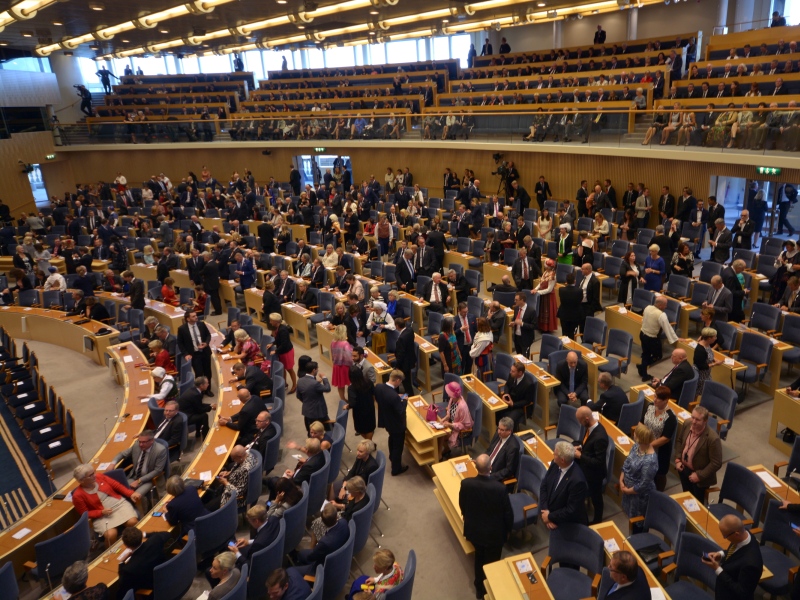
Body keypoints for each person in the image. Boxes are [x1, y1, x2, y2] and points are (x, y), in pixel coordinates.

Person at [459, 453, 512, 599]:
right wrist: (508, 530)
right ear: (491, 467)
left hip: (474, 531)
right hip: (494, 535)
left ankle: (479, 588)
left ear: (476, 467)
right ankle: (490, 588)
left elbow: (462, 504)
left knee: (479, 557)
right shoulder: (500, 489)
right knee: (492, 562)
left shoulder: (466, 483)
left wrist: (467, 517)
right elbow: (508, 513)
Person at [71, 464, 139, 547]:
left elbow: (117, 486)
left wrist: (131, 493)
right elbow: (84, 513)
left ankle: (135, 544)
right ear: (81, 480)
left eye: (93, 473)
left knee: (133, 522)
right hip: (101, 515)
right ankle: (112, 552)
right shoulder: (77, 495)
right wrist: (101, 512)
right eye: (90, 475)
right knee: (111, 535)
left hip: (119, 504)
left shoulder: (100, 477)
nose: (94, 475)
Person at [701, 514, 763, 599]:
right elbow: (736, 552)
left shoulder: (751, 564)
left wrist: (717, 569)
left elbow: (742, 592)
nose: (724, 538)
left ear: (736, 534)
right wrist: (721, 554)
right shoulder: (745, 534)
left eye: (725, 536)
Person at [674, 405, 722, 501]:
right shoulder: (687, 423)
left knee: (697, 502)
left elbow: (716, 463)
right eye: (693, 417)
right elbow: (679, 441)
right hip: (683, 468)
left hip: (699, 476)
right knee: (686, 496)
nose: (693, 421)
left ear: (705, 421)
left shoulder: (712, 438)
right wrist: (678, 459)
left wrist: (699, 475)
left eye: (697, 420)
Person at [539, 441, 589, 528]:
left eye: (555, 454)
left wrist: (550, 517)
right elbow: (544, 485)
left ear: (562, 460)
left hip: (568, 523)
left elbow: (570, 510)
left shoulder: (578, 481)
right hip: (551, 513)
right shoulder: (555, 464)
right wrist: (545, 510)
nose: (553, 454)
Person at [575, 406, 609, 524]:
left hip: (594, 474)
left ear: (586, 419)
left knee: (596, 498)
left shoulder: (600, 437)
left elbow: (598, 462)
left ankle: (598, 520)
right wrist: (580, 447)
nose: (579, 423)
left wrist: (580, 456)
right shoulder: (590, 427)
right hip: (586, 464)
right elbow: (588, 444)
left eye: (580, 420)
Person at [112, 430, 168, 500]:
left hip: (149, 479)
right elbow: (122, 454)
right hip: (134, 476)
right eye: (139, 441)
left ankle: (143, 505)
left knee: (135, 496)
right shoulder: (136, 445)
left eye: (143, 442)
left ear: (152, 441)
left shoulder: (160, 450)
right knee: (120, 492)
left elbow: (158, 470)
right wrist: (113, 463)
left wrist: (139, 480)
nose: (140, 444)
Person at [620, 424, 658, 524]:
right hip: (628, 491)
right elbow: (627, 462)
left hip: (639, 497)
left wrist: (628, 491)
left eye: (635, 433)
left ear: (640, 437)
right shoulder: (637, 446)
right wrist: (621, 480)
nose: (633, 434)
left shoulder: (650, 461)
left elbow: (643, 485)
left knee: (638, 523)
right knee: (630, 519)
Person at [117, 527, 170, 598]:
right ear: (141, 536)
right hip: (168, 575)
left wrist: (121, 562)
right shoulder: (155, 540)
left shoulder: (128, 568)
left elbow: (122, 584)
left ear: (126, 545)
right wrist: (146, 534)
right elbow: (167, 534)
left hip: (153, 589)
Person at [642, 386, 678, 492]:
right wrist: (639, 437)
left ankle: (658, 494)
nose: (655, 400)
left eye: (658, 398)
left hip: (660, 451)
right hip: (645, 445)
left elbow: (666, 438)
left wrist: (649, 446)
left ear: (666, 400)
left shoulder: (670, 417)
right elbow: (641, 422)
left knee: (658, 477)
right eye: (655, 396)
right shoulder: (650, 406)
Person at [375, 370, 408, 476]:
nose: (400, 384)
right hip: (396, 424)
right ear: (397, 380)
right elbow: (401, 411)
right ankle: (396, 469)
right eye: (400, 382)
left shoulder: (379, 387)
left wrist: (397, 397)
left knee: (391, 438)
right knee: (398, 446)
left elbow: (384, 398)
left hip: (386, 420)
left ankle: (392, 457)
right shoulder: (393, 396)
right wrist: (404, 401)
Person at [638, 296, 679, 380]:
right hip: (651, 338)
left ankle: (643, 371)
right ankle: (643, 368)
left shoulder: (647, 307)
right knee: (658, 356)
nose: (666, 306)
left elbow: (644, 319)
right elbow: (667, 328)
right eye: (665, 305)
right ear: (660, 305)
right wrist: (676, 339)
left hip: (642, 334)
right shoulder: (661, 315)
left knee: (646, 354)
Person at [440, 381, 474, 458]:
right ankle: (444, 451)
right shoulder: (452, 399)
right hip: (452, 424)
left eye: (449, 393)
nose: (448, 394)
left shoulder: (462, 407)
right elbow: (449, 412)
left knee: (441, 436)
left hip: (461, 430)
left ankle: (440, 454)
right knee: (439, 433)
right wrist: (444, 419)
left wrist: (450, 425)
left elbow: (465, 425)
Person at [177, 310, 213, 383]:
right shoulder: (182, 329)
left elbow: (208, 335)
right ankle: (200, 388)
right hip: (194, 354)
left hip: (205, 352)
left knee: (208, 372)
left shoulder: (201, 324)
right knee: (199, 374)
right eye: (193, 316)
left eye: (196, 315)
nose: (196, 317)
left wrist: (206, 343)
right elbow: (180, 343)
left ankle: (208, 388)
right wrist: (186, 354)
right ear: (188, 319)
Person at [496, 361, 533, 431]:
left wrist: (513, 404)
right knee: (496, 410)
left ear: (520, 373)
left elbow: (527, 401)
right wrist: (506, 394)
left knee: (509, 421)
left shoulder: (528, 384)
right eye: (511, 370)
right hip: (508, 400)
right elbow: (507, 385)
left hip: (518, 407)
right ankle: (500, 430)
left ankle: (511, 434)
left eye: (513, 371)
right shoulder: (512, 375)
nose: (510, 372)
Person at [296, 361, 331, 432]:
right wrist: (324, 378)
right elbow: (327, 389)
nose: (318, 370)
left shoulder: (300, 380)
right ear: (314, 370)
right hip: (318, 412)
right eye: (317, 369)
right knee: (328, 429)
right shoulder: (314, 384)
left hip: (307, 412)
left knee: (311, 431)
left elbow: (298, 395)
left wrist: (307, 401)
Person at [346, 361, 376, 440]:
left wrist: (347, 406)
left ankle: (368, 443)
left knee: (361, 430)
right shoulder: (369, 382)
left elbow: (352, 403)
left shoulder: (351, 388)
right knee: (370, 428)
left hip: (359, 413)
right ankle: (369, 442)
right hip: (370, 409)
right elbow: (373, 394)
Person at [268, 312, 297, 393]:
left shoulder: (283, 330)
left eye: (271, 320)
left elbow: (284, 344)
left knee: (289, 369)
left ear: (276, 321)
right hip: (282, 351)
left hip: (287, 352)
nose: (270, 322)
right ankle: (284, 383)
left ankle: (295, 385)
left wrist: (275, 351)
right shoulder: (278, 328)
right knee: (283, 368)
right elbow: (278, 339)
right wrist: (272, 343)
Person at [691, 327, 722, 395]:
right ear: (709, 338)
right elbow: (701, 366)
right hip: (701, 375)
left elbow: (708, 354)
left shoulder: (707, 344)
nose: (716, 338)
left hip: (707, 374)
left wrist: (714, 359)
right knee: (698, 393)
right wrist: (715, 364)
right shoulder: (700, 350)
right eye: (714, 337)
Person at [330, 324, 353, 401]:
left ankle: (342, 399)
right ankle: (351, 398)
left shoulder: (333, 342)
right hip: (345, 366)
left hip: (336, 365)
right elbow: (349, 356)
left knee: (340, 384)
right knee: (350, 383)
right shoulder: (345, 343)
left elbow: (332, 353)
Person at [394, 318, 416, 396]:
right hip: (410, 359)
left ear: (397, 326)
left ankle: (411, 396)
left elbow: (401, 354)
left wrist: (397, 366)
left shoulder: (401, 338)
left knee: (406, 382)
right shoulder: (410, 330)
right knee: (407, 380)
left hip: (404, 363)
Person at [511, 292, 536, 357]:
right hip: (517, 337)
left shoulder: (531, 311)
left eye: (516, 300)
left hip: (526, 338)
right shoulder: (516, 308)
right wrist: (513, 322)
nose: (514, 301)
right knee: (518, 356)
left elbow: (534, 326)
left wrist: (522, 324)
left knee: (525, 358)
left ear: (522, 300)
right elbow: (515, 318)